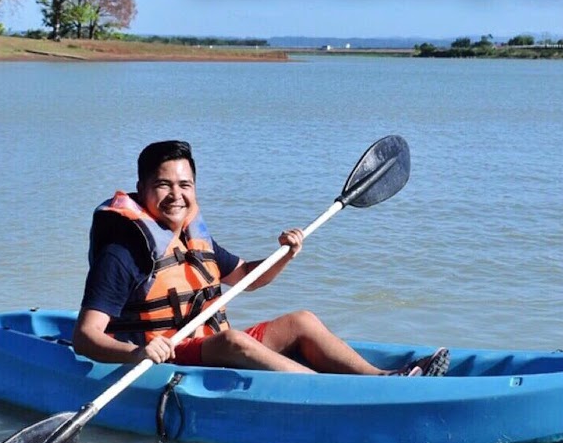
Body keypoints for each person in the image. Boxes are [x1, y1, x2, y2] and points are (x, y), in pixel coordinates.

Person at [73, 140, 449, 376]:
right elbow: (86, 337)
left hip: (205, 342)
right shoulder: (122, 252)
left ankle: (380, 380)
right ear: (142, 189)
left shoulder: (188, 234)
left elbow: (245, 278)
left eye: (185, 185)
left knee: (301, 320)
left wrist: (284, 255)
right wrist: (138, 353)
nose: (176, 195)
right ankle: (326, 393)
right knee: (232, 342)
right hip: (164, 358)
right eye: (163, 185)